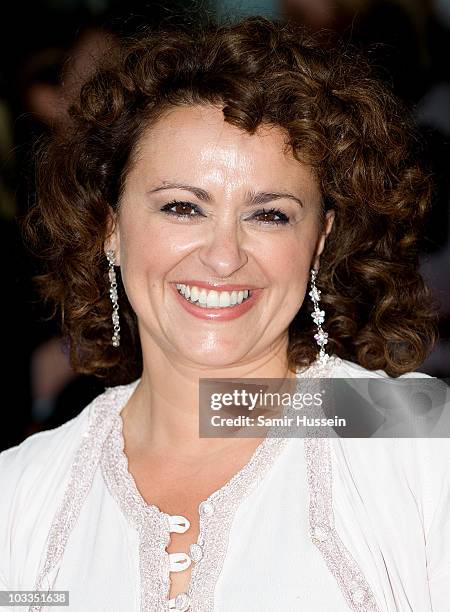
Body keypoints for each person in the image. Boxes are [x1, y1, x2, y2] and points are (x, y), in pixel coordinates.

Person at [0, 15, 448, 612]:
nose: (223, 256)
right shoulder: (23, 492)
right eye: (183, 207)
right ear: (110, 226)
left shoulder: (416, 440)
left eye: (270, 215)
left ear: (320, 240)